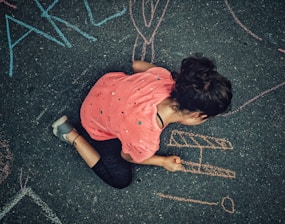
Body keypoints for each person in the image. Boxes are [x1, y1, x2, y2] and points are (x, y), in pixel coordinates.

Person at [52, 56, 232, 189]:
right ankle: (70, 134)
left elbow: (136, 65)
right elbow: (127, 156)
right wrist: (163, 162)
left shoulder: (165, 78)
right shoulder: (145, 138)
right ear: (196, 116)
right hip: (93, 122)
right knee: (120, 180)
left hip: (105, 88)